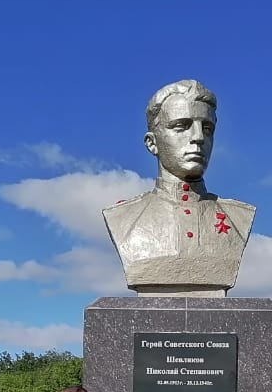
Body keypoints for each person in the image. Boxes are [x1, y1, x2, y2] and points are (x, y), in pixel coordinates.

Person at [103, 79, 256, 294]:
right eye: (181, 126)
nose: (198, 137)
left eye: (207, 128)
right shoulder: (123, 218)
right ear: (152, 143)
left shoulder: (239, 216)